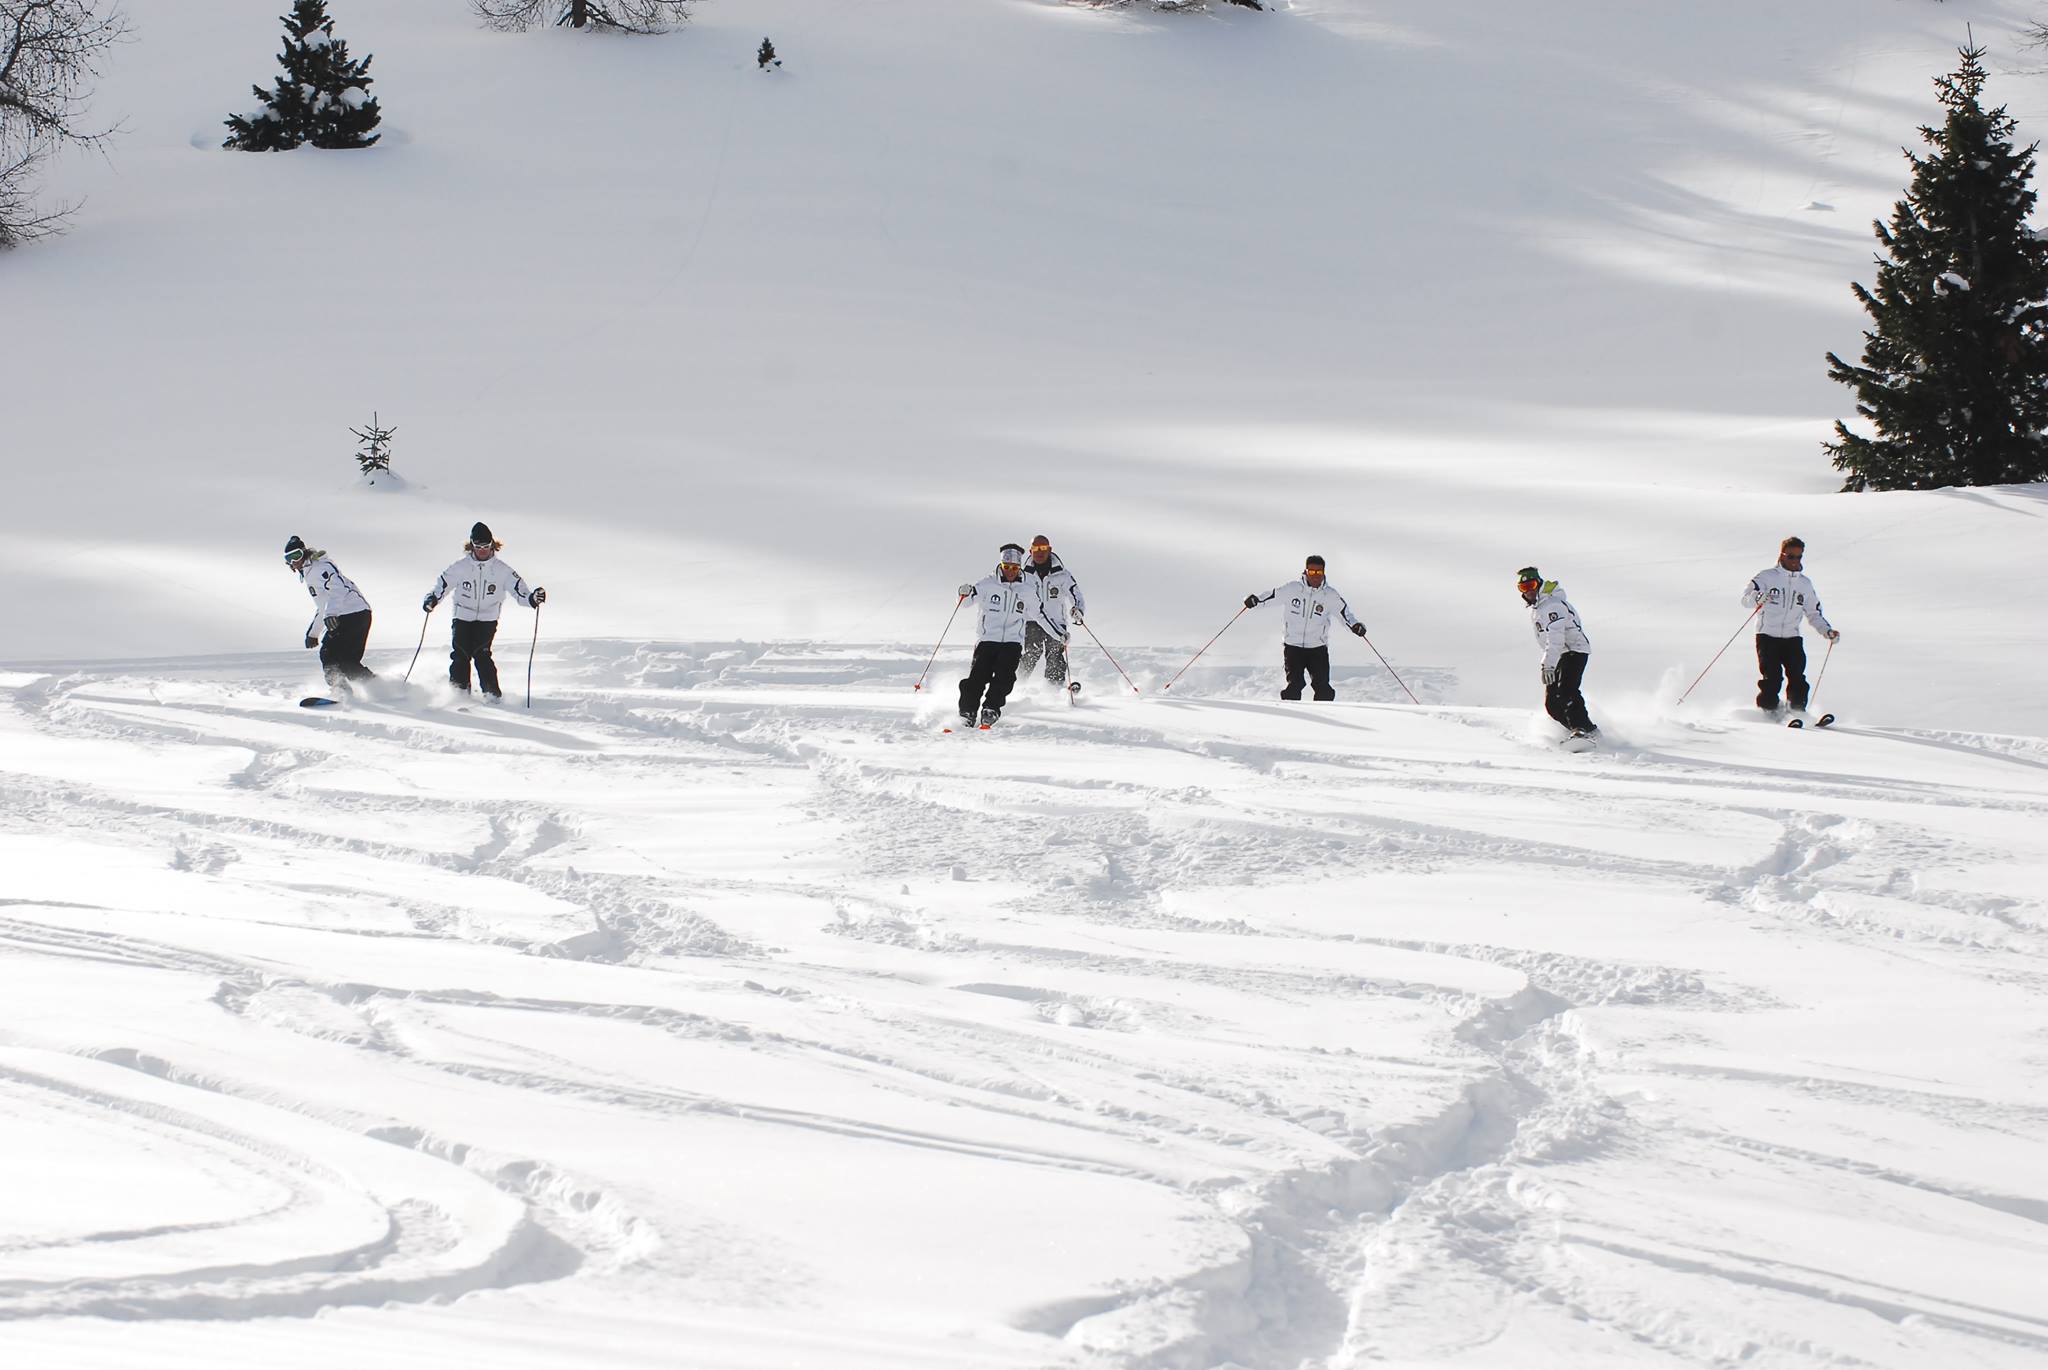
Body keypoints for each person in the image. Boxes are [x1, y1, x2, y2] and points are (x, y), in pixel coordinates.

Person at [422, 521, 546, 699]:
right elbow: (442, 586)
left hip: (488, 618)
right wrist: (432, 599)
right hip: (462, 616)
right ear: (471, 545)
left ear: (492, 545)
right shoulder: (460, 567)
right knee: (461, 654)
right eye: (478, 546)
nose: (482, 550)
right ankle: (458, 694)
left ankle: (492, 696)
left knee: (482, 654)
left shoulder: (502, 570)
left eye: (486, 546)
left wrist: (533, 598)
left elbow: (520, 592)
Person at [956, 543, 1061, 726]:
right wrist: (963, 593)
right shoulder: (988, 584)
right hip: (988, 640)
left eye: (1014, 568)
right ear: (1001, 565)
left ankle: (991, 709)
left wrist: (1059, 634)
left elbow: (1040, 615)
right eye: (1007, 567)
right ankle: (967, 712)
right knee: (977, 677)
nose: (1010, 571)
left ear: (1019, 567)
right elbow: (965, 602)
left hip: (1012, 642)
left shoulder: (1027, 590)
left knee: (1005, 678)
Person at [1243, 555, 1365, 701]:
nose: (1315, 576)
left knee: (1323, 687)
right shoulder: (1292, 589)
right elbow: (1271, 597)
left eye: (1319, 572)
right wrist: (1255, 601)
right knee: (1295, 685)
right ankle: (1290, 714)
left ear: (1324, 573)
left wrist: (1355, 626)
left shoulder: (1330, 595)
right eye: (1312, 572)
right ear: (1306, 571)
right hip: (1293, 647)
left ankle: (1325, 714)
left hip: (1317, 648)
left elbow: (1345, 615)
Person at [1741, 536, 1839, 715]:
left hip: (1792, 637)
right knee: (1772, 677)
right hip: (1767, 636)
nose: (1795, 561)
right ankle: (1768, 712)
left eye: (1799, 557)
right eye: (1791, 556)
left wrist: (1827, 631)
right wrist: (1758, 598)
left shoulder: (1804, 584)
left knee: (1797, 676)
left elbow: (1813, 612)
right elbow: (1745, 599)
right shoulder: (1766, 576)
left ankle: (1797, 712)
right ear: (1782, 555)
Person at [284, 535, 375, 692]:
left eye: (296, 555)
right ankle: (380, 688)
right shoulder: (310, 573)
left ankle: (341, 691)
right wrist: (313, 633)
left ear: (304, 553)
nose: (294, 562)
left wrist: (331, 614)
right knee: (347, 663)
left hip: (353, 614)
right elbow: (323, 607)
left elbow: (338, 589)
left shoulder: (320, 567)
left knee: (329, 654)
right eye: (289, 558)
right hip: (348, 615)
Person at [1517, 566, 1596, 738]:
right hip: (1559, 654)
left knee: (1567, 691)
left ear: (1539, 584)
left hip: (1574, 649)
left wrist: (1548, 665)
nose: (1528, 591)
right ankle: (1578, 731)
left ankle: (1582, 729)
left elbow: (1556, 639)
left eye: (1531, 585)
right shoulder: (1537, 609)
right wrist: (1550, 662)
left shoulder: (1552, 605)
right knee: (1552, 704)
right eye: (1523, 588)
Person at [1019, 534, 1087, 687]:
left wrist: (1078, 609)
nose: (1040, 552)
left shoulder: (1062, 574)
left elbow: (1075, 593)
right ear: (1030, 551)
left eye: (1043, 548)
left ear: (1049, 549)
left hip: (1056, 621)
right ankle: (1017, 684)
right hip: (1032, 620)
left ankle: (1054, 688)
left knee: (1055, 654)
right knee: (1032, 652)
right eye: (1036, 548)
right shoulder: (1024, 575)